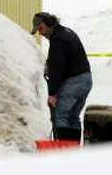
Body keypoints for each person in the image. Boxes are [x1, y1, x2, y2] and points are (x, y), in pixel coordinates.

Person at [32, 11, 92, 142]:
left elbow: (56, 70)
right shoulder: (66, 32)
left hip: (74, 81)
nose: (40, 33)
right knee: (73, 117)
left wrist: (52, 94)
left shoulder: (57, 40)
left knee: (61, 115)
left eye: (40, 28)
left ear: (49, 23)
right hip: (86, 80)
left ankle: (63, 150)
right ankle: (73, 148)